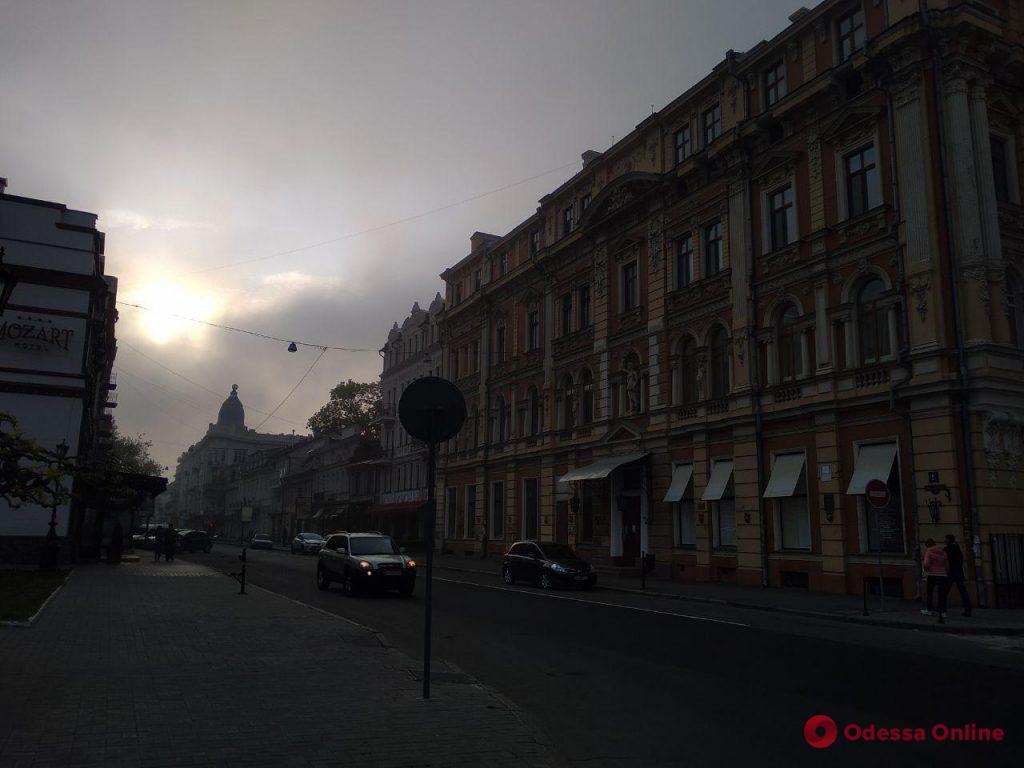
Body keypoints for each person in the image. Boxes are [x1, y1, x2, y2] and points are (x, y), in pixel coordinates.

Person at [944, 534, 972, 617]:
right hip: (959, 572)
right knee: (963, 591)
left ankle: (941, 607)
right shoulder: (957, 548)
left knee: (945, 591)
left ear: (949, 540)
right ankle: (968, 609)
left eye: (946, 539)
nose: (945, 541)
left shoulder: (947, 549)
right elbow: (961, 559)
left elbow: (945, 560)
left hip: (950, 573)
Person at [922, 538, 948, 620]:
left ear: (927, 545)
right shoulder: (943, 551)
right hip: (943, 574)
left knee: (930, 592)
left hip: (932, 574)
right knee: (942, 594)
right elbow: (947, 564)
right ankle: (943, 612)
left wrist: (926, 569)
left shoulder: (929, 551)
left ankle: (929, 610)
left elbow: (926, 563)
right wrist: (945, 571)